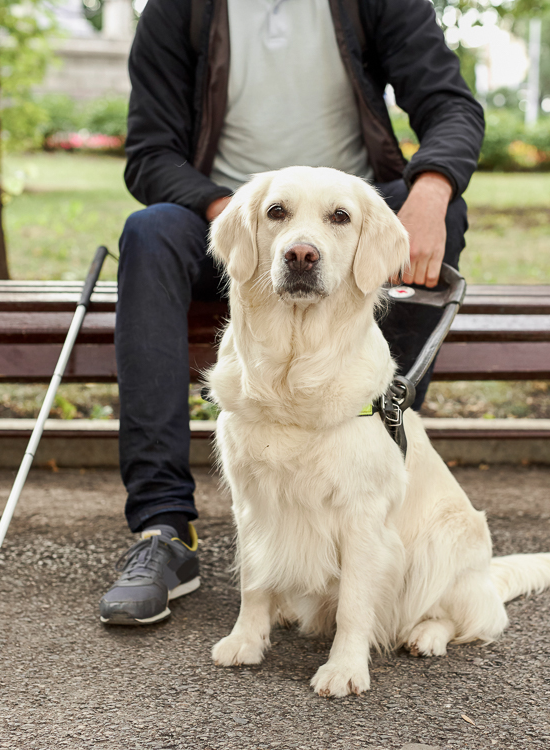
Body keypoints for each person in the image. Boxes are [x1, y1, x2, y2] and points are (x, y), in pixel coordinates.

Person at [99, 0, 485, 625]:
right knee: (147, 233)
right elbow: (150, 152)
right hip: (231, 220)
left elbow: (451, 105)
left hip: (347, 227)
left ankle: (374, 498)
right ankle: (163, 531)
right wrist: (234, 212)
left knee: (439, 211)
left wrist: (433, 187)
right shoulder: (180, 8)